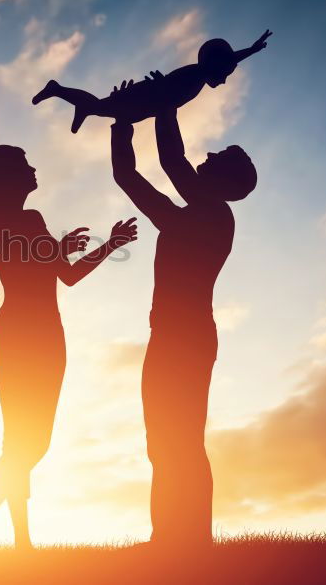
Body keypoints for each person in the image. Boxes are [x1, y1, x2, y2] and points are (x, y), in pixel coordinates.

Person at [0, 144, 137, 550]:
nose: (33, 168)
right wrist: (109, 243)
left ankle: (3, 533)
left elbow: (47, 267)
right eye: (24, 164)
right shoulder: (23, 219)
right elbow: (66, 276)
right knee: (28, 442)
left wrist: (60, 248)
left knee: (24, 441)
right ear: (6, 177)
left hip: (25, 333)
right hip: (34, 334)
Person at [108, 76, 257, 547]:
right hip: (174, 336)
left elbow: (168, 164)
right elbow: (129, 177)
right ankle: (170, 538)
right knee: (165, 441)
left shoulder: (210, 217)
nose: (206, 157)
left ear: (224, 182)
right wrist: (123, 123)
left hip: (185, 338)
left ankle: (190, 540)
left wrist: (166, 106)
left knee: (182, 441)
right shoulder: (195, 213)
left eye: (216, 159)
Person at [32, 30, 271, 133]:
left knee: (105, 110)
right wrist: (250, 50)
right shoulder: (196, 74)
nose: (224, 81)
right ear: (216, 66)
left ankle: (77, 103)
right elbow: (168, 88)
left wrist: (250, 50)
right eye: (225, 74)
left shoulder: (196, 77)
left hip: (148, 102)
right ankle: (59, 90)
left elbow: (170, 94)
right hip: (145, 97)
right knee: (103, 108)